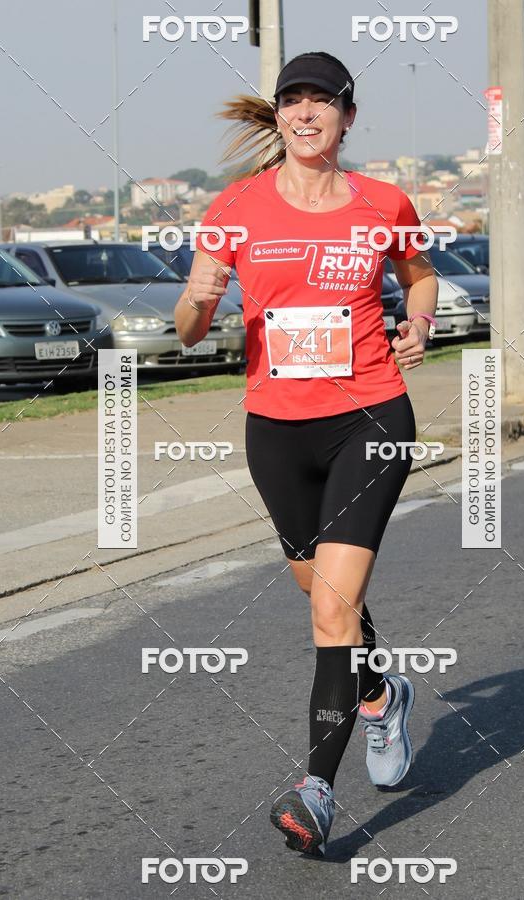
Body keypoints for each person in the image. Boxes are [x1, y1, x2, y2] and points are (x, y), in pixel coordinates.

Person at [174, 51, 438, 857]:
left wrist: (417, 325)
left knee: (330, 606)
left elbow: (419, 273)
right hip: (277, 429)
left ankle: (316, 791)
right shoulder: (237, 206)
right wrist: (197, 302)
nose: (307, 110)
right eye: (294, 99)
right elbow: (191, 326)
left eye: (323, 100)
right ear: (280, 116)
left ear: (347, 118)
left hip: (370, 418)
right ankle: (381, 692)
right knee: (321, 595)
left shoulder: (384, 202)